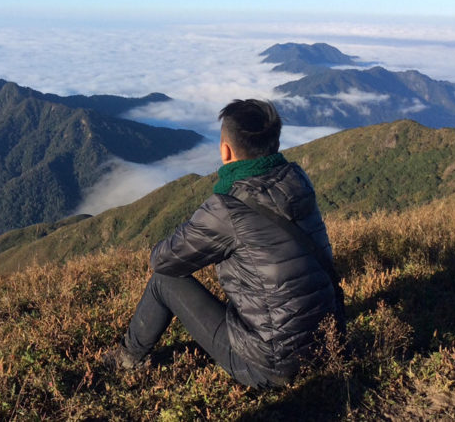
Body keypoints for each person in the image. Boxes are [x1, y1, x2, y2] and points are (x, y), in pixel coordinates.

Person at [104, 99, 345, 389]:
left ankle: (126, 359)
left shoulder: (226, 208)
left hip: (269, 367)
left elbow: (163, 260)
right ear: (275, 142)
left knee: (163, 281)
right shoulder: (297, 180)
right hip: (331, 342)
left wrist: (196, 222)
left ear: (225, 150)